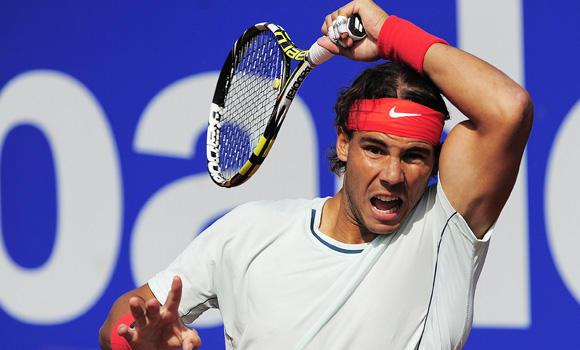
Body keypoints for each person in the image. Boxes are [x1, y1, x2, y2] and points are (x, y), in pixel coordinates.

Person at [99, 0, 533, 349]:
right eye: (375, 149)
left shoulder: (446, 228)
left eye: (415, 156)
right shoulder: (250, 232)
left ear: (435, 163)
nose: (393, 175)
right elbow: (120, 322)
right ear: (345, 143)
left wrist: (387, 34)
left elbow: (507, 108)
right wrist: (137, 345)